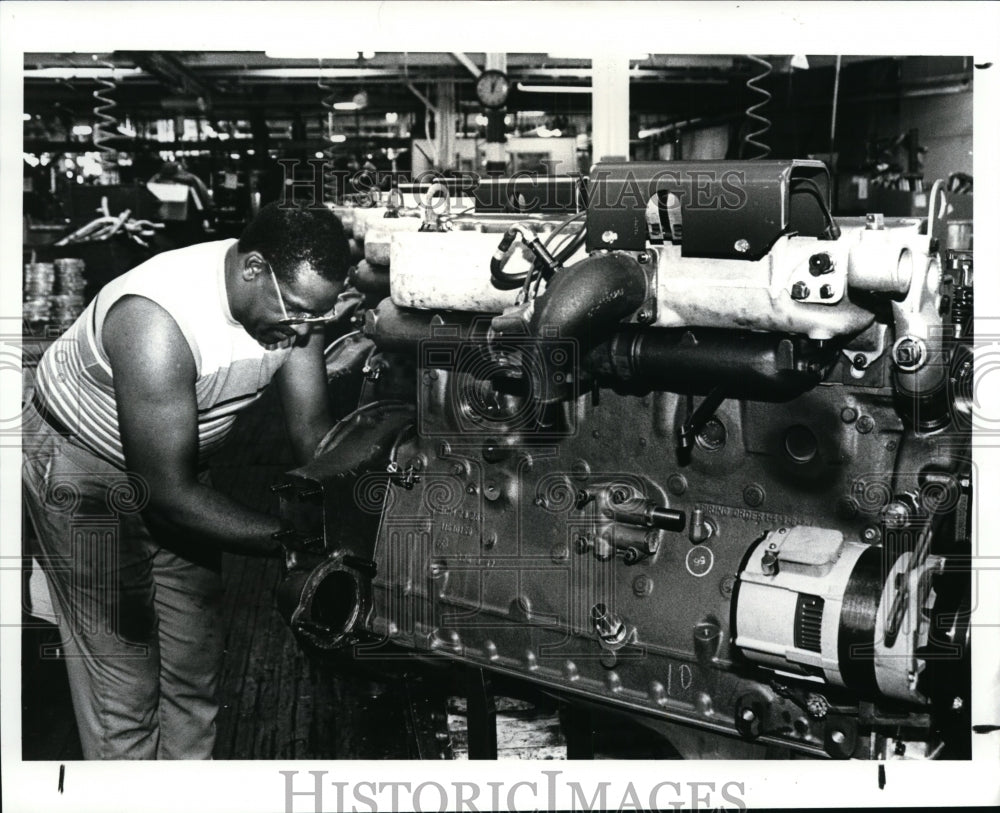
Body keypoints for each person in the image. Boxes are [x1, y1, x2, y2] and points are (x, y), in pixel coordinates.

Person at [22, 202, 350, 759]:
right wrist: (299, 544)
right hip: (85, 475)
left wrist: (363, 509)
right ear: (251, 269)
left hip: (179, 468)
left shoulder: (297, 311)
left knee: (194, 667)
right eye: (297, 312)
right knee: (122, 688)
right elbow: (168, 497)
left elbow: (311, 436)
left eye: (316, 318)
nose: (303, 330)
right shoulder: (156, 318)